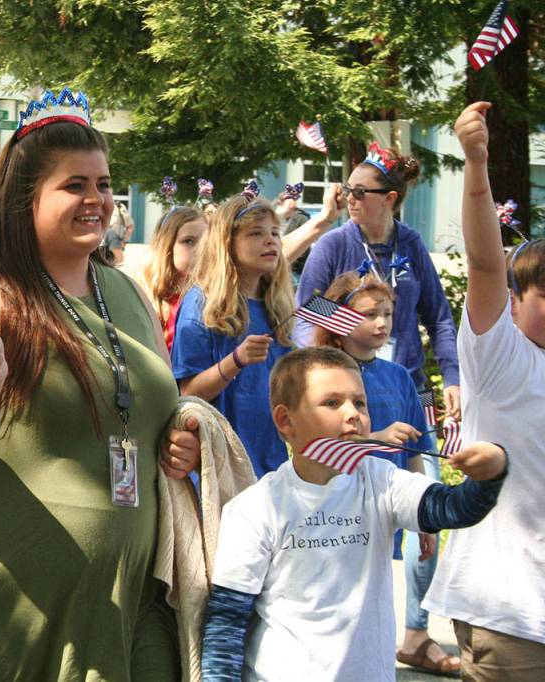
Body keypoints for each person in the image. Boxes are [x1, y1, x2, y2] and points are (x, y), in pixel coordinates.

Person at [0, 88, 201, 680]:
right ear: (25, 197)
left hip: (125, 598)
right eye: (75, 185)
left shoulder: (130, 292)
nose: (97, 200)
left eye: (104, 184)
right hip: (3, 608)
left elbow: (144, 409)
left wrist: (176, 443)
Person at [200, 347, 508, 681]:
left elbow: (453, 508)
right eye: (332, 403)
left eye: (359, 402)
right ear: (285, 420)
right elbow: (226, 624)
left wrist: (491, 472)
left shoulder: (380, 480)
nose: (353, 414)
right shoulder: (255, 509)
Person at [421, 102, 545, 680]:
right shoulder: (502, 359)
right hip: (512, 615)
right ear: (517, 301)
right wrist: (475, 166)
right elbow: (484, 264)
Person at [314, 271, 458, 674]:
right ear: (340, 321)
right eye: (369, 314)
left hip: (384, 510)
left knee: (375, 602)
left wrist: (423, 518)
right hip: (336, 510)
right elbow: (314, 449)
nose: (381, 323)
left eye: (388, 314)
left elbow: (414, 451)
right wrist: (377, 438)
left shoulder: (398, 377)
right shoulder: (324, 376)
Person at [294, 143, 461, 421]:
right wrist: (357, 331)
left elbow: (439, 318)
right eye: (348, 190)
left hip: (413, 385)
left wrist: (452, 378)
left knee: (428, 459)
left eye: (360, 192)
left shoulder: (412, 243)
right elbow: (306, 310)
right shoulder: (332, 244)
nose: (350, 199)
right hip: (351, 393)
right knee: (359, 464)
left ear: (389, 198)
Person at [170, 191, 295, 476]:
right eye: (255, 233)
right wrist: (235, 360)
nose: (270, 240)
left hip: (270, 463)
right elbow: (188, 393)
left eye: (275, 233)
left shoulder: (276, 306)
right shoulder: (202, 304)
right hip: (220, 462)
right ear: (226, 244)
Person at [142, 206, 208, 351]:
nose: (200, 250)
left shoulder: (214, 296)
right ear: (167, 246)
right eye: (189, 241)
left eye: (206, 242)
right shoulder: (145, 298)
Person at [102, 200, 135, 265]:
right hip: (103, 235)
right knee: (105, 258)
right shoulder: (102, 206)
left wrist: (125, 240)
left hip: (114, 234)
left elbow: (130, 226)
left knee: (119, 258)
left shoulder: (119, 207)